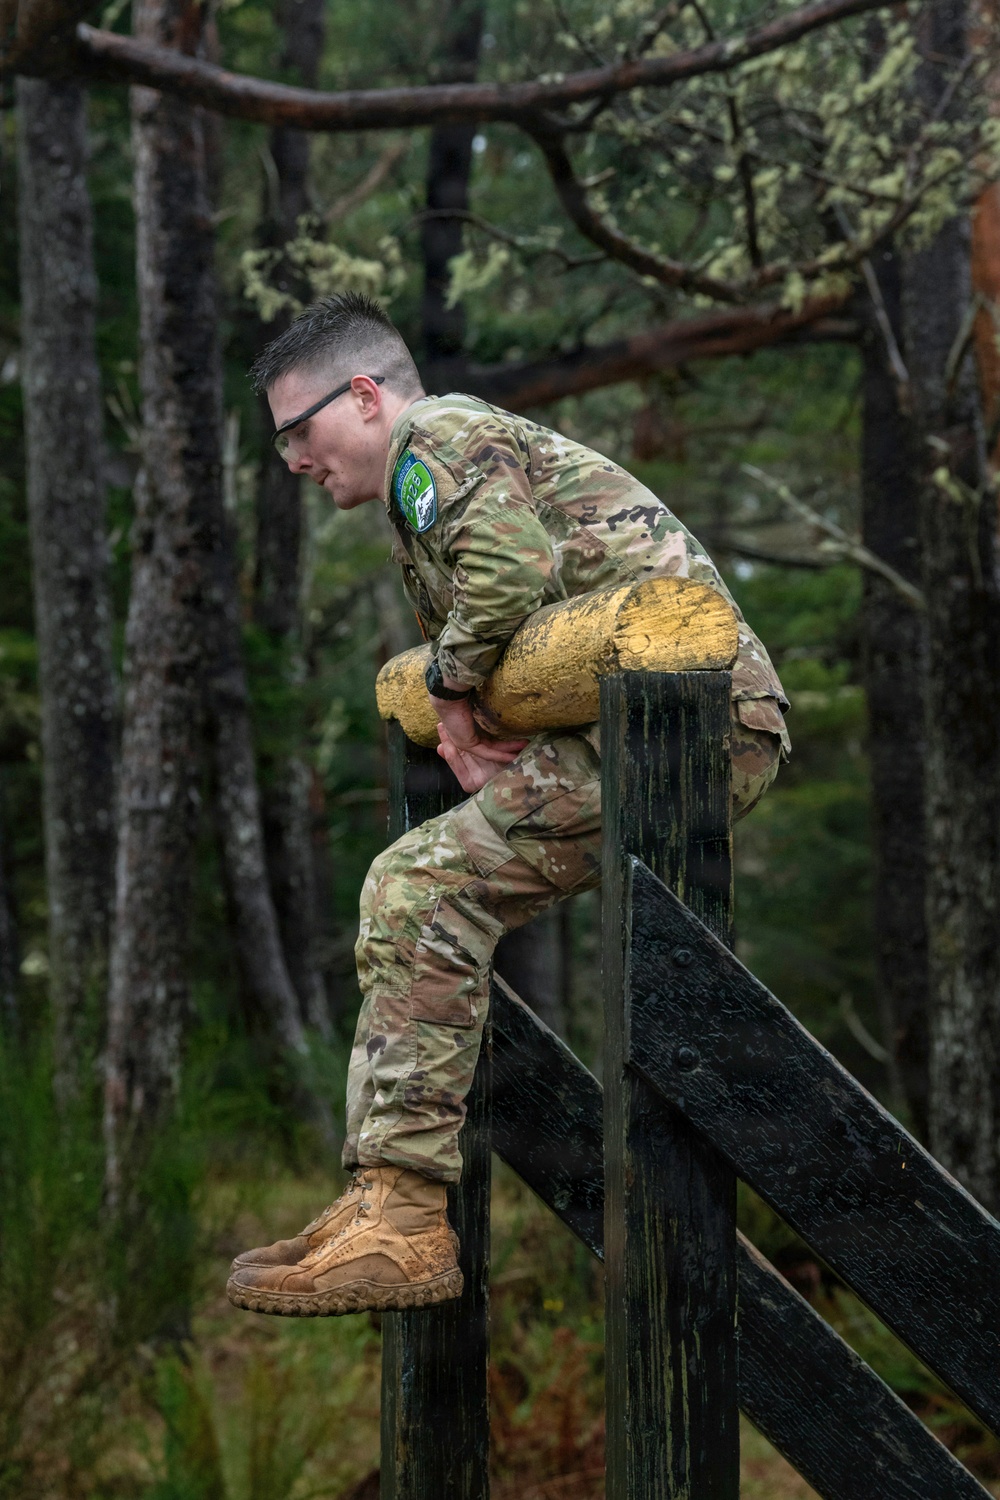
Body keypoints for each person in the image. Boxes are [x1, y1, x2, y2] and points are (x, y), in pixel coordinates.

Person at [227, 292, 789, 1319]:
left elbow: (507, 573)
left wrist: (448, 687)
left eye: (296, 432)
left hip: (690, 722)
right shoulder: (424, 480)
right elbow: (524, 615)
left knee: (421, 886)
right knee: (418, 889)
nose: (294, 461)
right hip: (641, 721)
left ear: (364, 396)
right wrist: (470, 709)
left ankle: (403, 1216)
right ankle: (382, 1198)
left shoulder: (436, 434)